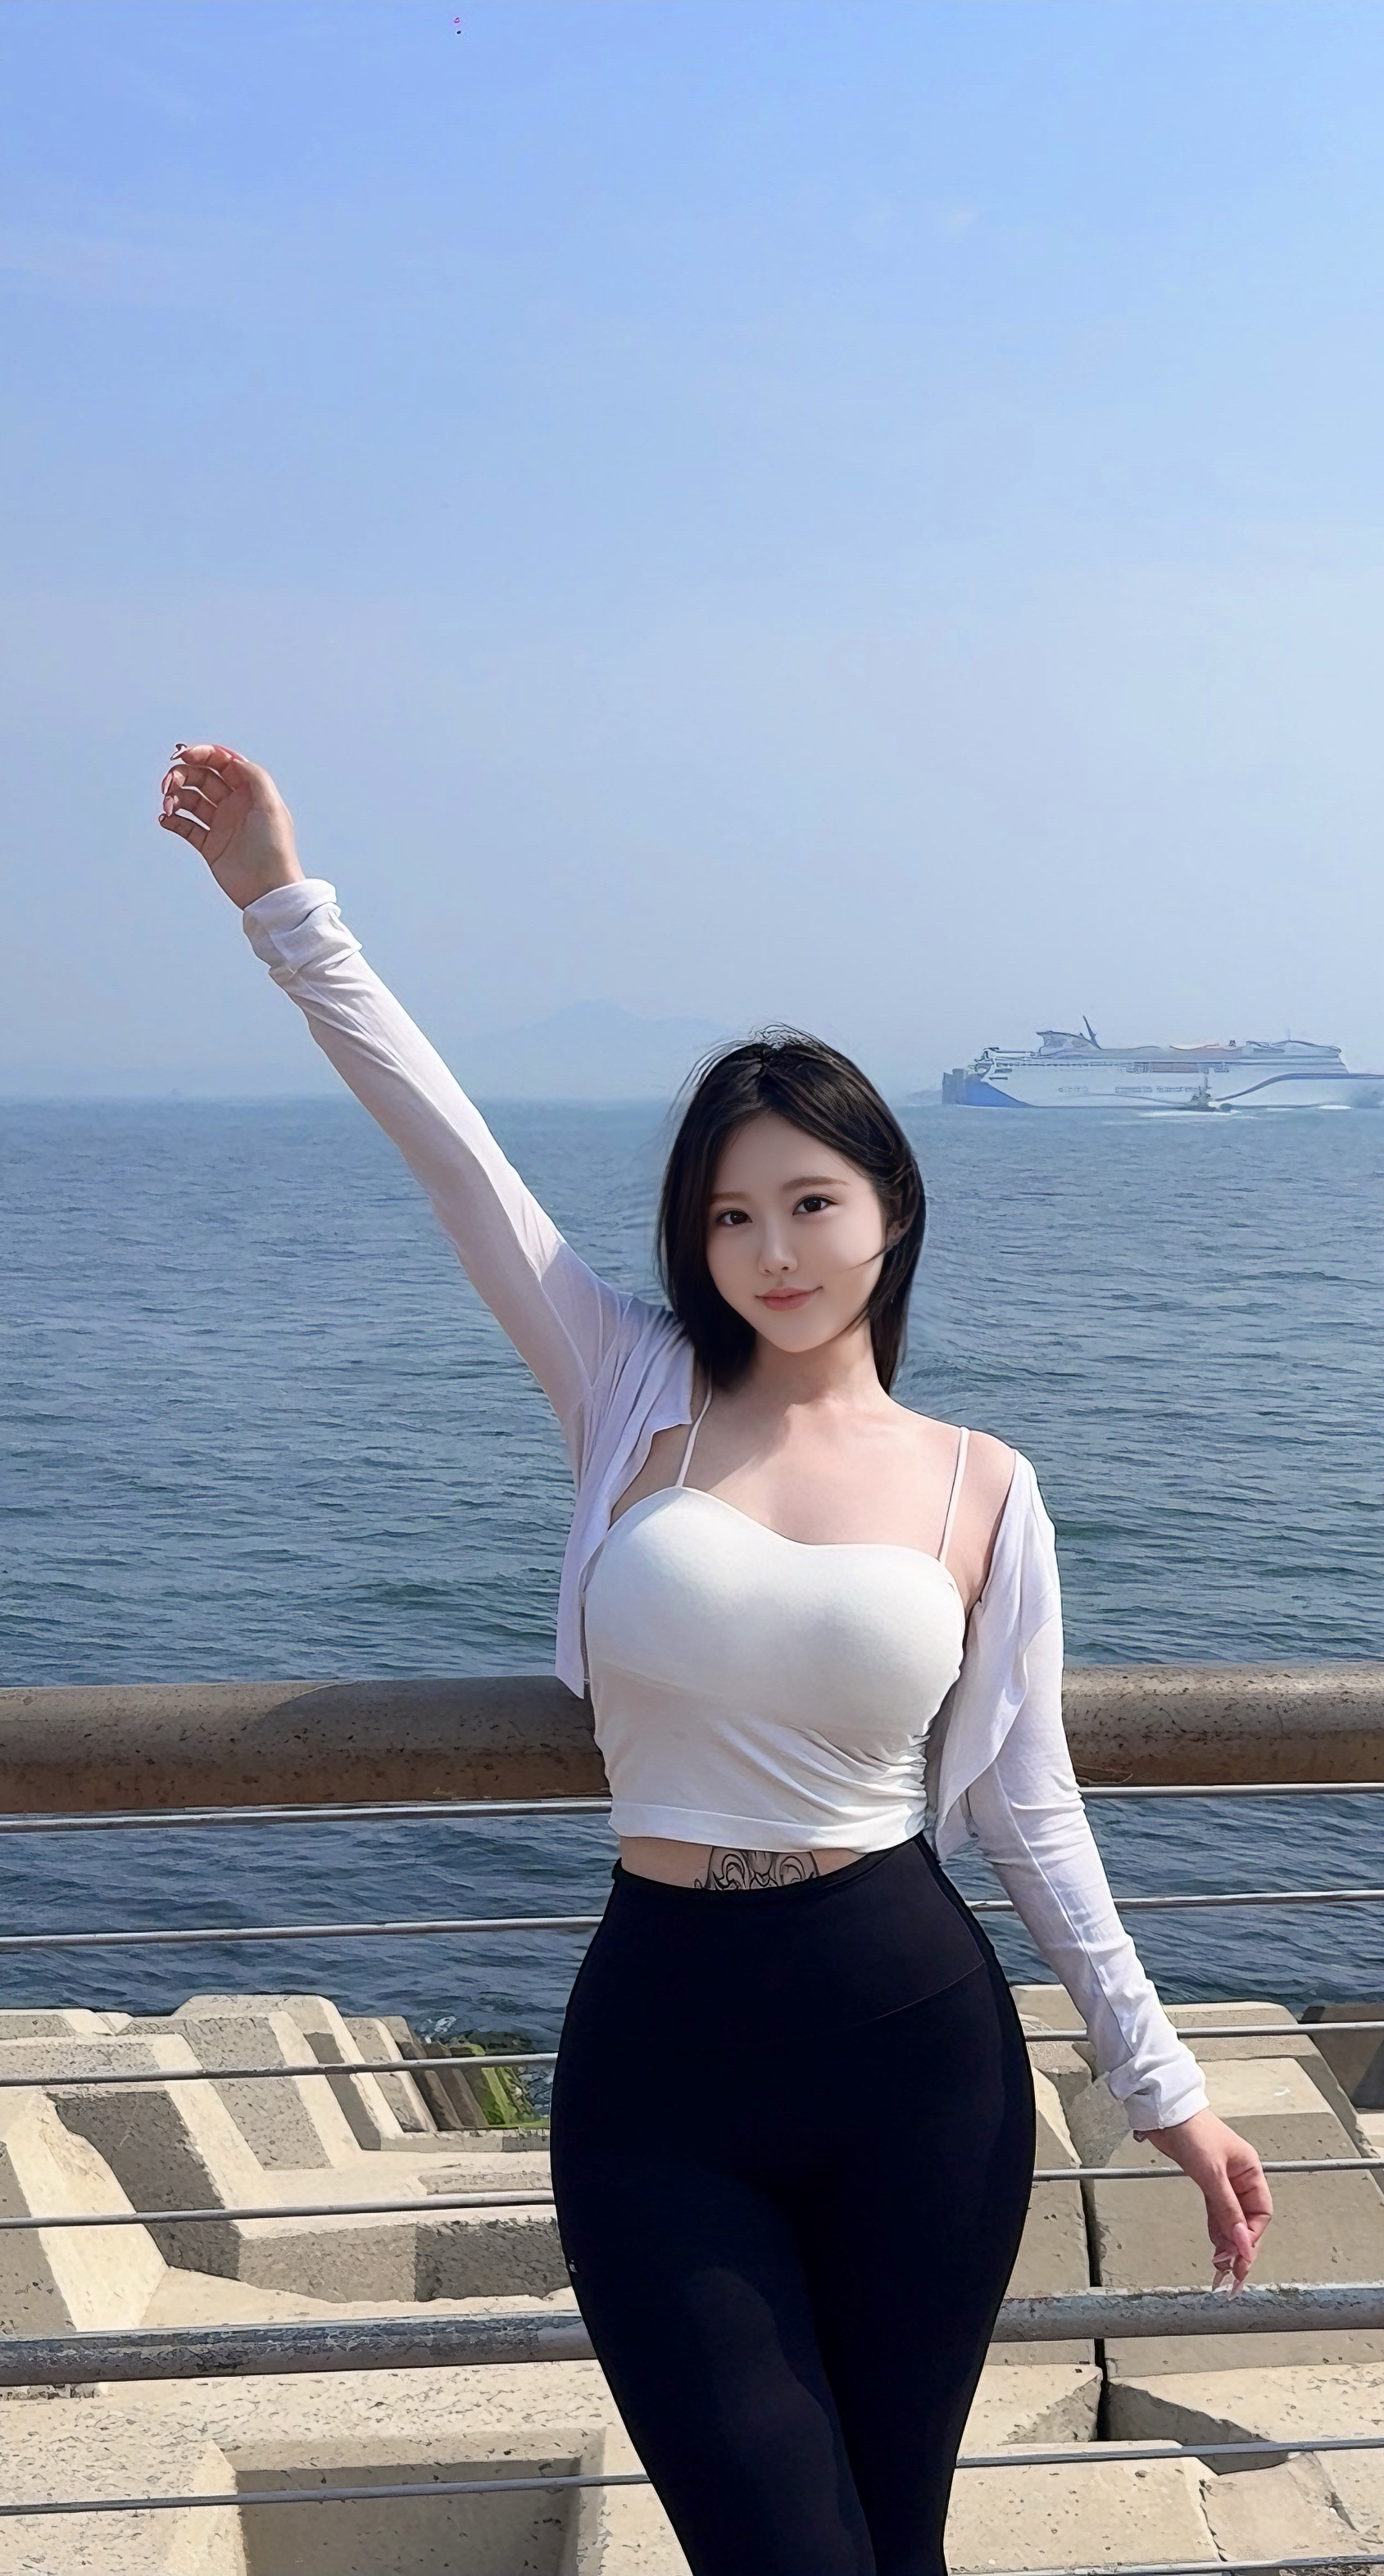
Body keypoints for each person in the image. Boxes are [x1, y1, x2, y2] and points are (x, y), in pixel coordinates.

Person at [158, 742, 1273, 2576]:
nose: (771, 1249)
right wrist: (284, 903)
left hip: (915, 2052)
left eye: (810, 1202)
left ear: (890, 1208)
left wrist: (1164, 2089)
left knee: (891, 2546)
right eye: (730, 1214)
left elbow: (1028, 1806)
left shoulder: (983, 1485)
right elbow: (450, 1150)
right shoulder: (627, 1388)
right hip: (662, 2055)